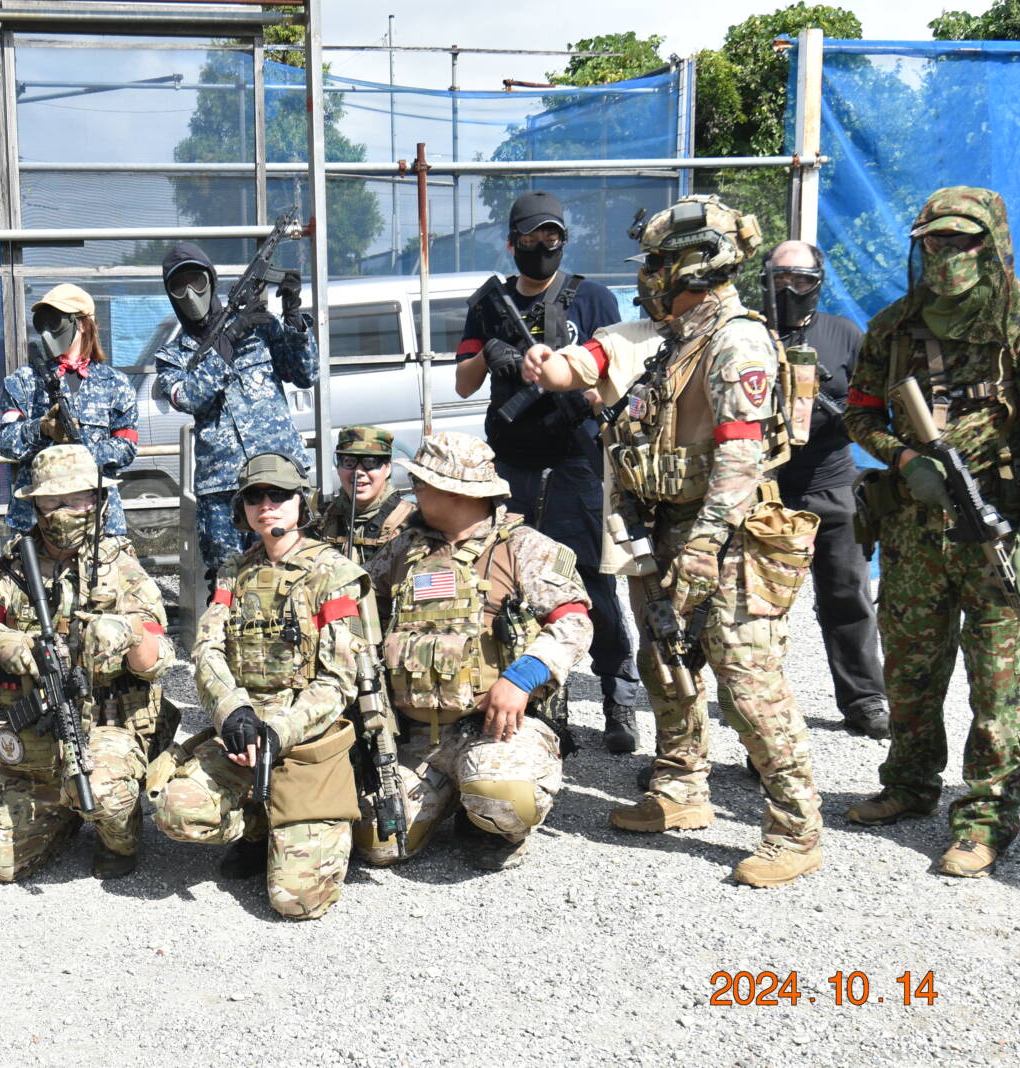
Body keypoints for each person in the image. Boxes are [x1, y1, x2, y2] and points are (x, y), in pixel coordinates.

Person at [523, 194, 824, 887]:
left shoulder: (735, 340)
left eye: (658, 263)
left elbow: (741, 461)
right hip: (664, 529)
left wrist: (703, 548)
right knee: (666, 663)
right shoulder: (679, 336)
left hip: (726, 539)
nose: (647, 276)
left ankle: (795, 829)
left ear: (695, 266)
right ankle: (681, 785)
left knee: (748, 682)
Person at [842, 187, 1020, 879]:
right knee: (910, 674)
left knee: (1000, 688)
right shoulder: (893, 327)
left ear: (990, 245)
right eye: (934, 242)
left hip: (994, 533)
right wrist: (903, 458)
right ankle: (910, 785)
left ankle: (985, 819)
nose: (945, 254)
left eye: (962, 241)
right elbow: (859, 415)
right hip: (913, 534)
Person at [453, 189, 642, 756]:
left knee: (593, 583)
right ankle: (541, 704)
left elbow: (618, 380)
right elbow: (462, 382)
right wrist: (491, 352)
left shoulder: (593, 299)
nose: (542, 245)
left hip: (575, 463)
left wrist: (575, 390)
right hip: (511, 467)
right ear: (512, 242)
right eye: (532, 236)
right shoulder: (489, 304)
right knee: (512, 587)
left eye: (552, 235)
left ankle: (618, 697)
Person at [359, 431, 592, 870]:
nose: (414, 490)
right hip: (417, 737)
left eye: (422, 482)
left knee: (503, 799)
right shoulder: (404, 550)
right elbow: (359, 611)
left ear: (455, 491)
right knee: (378, 841)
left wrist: (521, 678)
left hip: (495, 729)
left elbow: (574, 622)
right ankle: (448, 793)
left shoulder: (524, 548)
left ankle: (488, 816)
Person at [149, 452, 364, 920]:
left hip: (306, 739)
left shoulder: (334, 573)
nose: (266, 505)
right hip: (243, 734)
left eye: (279, 494)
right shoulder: (234, 571)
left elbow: (339, 680)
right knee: (176, 810)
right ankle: (256, 827)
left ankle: (295, 826)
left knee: (297, 901)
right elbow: (207, 650)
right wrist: (233, 712)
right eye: (254, 496)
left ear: (301, 501)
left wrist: (280, 731)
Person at [0, 444, 175, 882]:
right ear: (35, 505)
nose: (62, 511)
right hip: (37, 742)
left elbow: (157, 659)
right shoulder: (17, 565)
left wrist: (130, 632)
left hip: (106, 729)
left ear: (97, 500)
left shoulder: (122, 568)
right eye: (51, 501)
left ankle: (118, 835)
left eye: (75, 499)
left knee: (101, 792)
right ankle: (61, 813)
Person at [762, 241, 889, 739]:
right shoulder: (748, 334)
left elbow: (874, 407)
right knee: (761, 609)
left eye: (799, 279)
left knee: (847, 596)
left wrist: (834, 409)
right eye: (779, 278)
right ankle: (762, 714)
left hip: (832, 484)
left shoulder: (844, 334)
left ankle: (865, 699)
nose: (788, 289)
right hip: (765, 492)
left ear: (817, 281)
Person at [154, 242, 316, 580]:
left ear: (211, 281)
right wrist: (230, 337)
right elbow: (190, 398)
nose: (190, 293)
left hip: (279, 478)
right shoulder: (172, 356)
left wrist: (292, 315)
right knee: (228, 579)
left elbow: (304, 374)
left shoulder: (259, 327)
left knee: (296, 569)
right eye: (179, 286)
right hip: (222, 489)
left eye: (196, 281)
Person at [0, 284, 139, 535]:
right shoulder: (24, 381)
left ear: (81, 324)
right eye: (43, 322)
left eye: (55, 320)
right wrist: (41, 429)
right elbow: (5, 441)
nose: (48, 330)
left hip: (97, 519)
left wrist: (80, 456)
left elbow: (126, 447)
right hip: (38, 521)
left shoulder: (115, 384)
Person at [313, 424, 414, 564]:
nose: (358, 472)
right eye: (349, 462)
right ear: (338, 467)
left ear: (387, 469)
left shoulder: (410, 521)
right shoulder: (322, 520)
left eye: (370, 462)